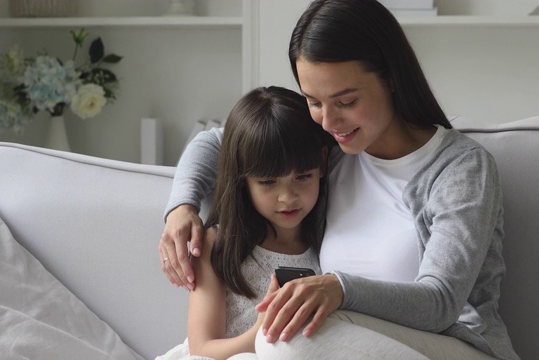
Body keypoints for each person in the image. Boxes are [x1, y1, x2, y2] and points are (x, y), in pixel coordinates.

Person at [159, 0, 519, 359]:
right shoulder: (328, 151)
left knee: (285, 335)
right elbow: (218, 142)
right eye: (313, 101)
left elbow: (441, 302)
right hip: (348, 343)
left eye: (345, 102)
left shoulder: (460, 168)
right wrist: (181, 207)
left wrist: (338, 289)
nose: (328, 121)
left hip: (456, 347)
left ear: (391, 78)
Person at [157, 86, 329, 360]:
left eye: (303, 177)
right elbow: (202, 347)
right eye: (268, 182)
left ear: (322, 163)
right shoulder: (217, 245)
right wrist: (260, 334)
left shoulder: (326, 245)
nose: (288, 198)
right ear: (242, 179)